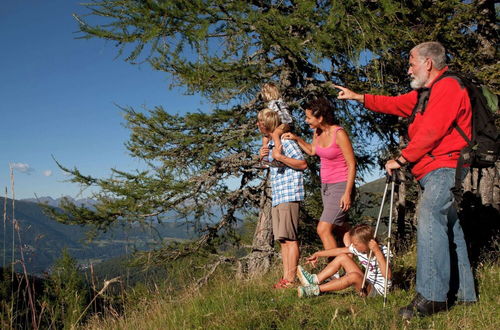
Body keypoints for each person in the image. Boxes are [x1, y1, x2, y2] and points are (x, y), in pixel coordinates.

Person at [334, 41, 477, 318]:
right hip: (434, 169)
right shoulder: (426, 92)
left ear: (428, 63)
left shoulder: (448, 87)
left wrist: (401, 158)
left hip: (445, 166)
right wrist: (358, 97)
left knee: (429, 214)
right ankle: (464, 294)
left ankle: (432, 296)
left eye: (411, 62)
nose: (408, 67)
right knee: (450, 228)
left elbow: (433, 131)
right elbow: (396, 103)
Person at [282, 97, 356, 251]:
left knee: (323, 229)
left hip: (341, 186)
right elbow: (312, 151)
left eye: (309, 117)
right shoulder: (317, 132)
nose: (306, 120)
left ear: (320, 117)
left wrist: (347, 193)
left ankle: (333, 271)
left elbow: (351, 164)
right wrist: (296, 138)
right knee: (340, 227)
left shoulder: (339, 133)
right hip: (326, 187)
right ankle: (361, 259)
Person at [257, 108, 307, 288]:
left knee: (290, 239)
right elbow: (273, 165)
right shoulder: (271, 144)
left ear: (267, 124)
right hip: (278, 195)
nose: (257, 125)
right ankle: (286, 278)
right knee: (283, 239)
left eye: (259, 122)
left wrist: (279, 156)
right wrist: (263, 159)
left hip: (289, 193)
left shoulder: (285, 142)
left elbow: (302, 164)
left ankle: (291, 280)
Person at [296, 224, 391, 298]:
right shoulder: (359, 249)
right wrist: (318, 254)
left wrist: (377, 252)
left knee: (354, 276)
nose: (353, 246)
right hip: (365, 283)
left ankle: (315, 290)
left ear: (367, 242)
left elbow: (388, 275)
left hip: (377, 292)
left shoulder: (384, 251)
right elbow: (339, 251)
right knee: (342, 257)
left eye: (356, 244)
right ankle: (314, 280)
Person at [259, 83, 294, 166]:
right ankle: (265, 159)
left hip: (286, 123)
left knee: (275, 134)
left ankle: (279, 155)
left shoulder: (275, 103)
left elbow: (274, 118)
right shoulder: (277, 102)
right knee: (265, 138)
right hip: (279, 124)